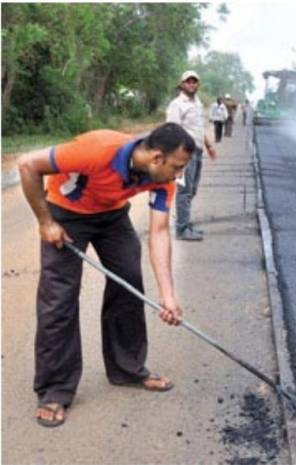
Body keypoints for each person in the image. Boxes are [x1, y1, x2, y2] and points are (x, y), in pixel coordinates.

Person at [17, 123, 195, 428]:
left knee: (128, 282)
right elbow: (27, 164)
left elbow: (160, 232)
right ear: (156, 158)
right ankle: (55, 389)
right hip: (65, 213)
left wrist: (167, 295)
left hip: (112, 216)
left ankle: (127, 369)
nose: (179, 175)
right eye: (177, 167)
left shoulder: (162, 179)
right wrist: (45, 222)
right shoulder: (98, 149)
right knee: (59, 299)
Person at [166, 70, 218, 241]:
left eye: (194, 81)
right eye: (188, 81)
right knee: (184, 191)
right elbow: (172, 131)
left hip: (198, 151)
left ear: (198, 84)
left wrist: (209, 146)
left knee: (192, 189)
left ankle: (185, 222)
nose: (191, 84)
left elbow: (199, 128)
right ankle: (181, 229)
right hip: (184, 154)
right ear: (182, 84)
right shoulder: (177, 104)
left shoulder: (197, 103)